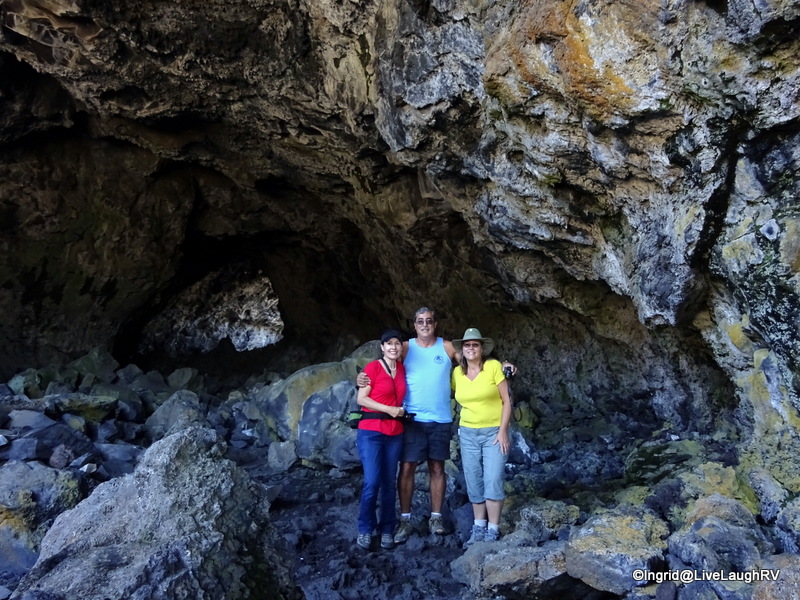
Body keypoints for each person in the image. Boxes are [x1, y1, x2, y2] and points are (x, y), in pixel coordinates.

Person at [451, 327, 512, 546]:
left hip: (493, 432)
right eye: (467, 345)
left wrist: (503, 431)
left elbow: (507, 401)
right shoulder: (457, 373)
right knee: (473, 477)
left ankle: (493, 529)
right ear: (462, 349)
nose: (471, 348)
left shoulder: (494, 367)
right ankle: (478, 527)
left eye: (475, 345)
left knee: (493, 478)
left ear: (482, 349)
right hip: (468, 433)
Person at [355, 330, 408, 550]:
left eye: (397, 343)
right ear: (382, 347)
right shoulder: (373, 368)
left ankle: (387, 528)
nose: (393, 347)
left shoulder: (402, 368)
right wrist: (390, 409)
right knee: (372, 481)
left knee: (388, 483)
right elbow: (361, 398)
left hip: (395, 432)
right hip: (371, 431)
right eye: (389, 343)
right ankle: (365, 528)